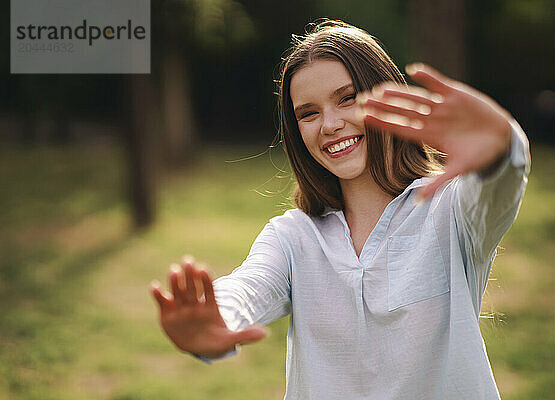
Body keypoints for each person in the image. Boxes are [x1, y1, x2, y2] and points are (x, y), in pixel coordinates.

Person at [150, 19, 530, 399]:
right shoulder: (293, 236)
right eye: (308, 113)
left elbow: (499, 185)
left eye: (347, 98)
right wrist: (219, 317)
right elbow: (249, 286)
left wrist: (502, 145)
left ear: (386, 97)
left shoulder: (450, 209)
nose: (330, 124)